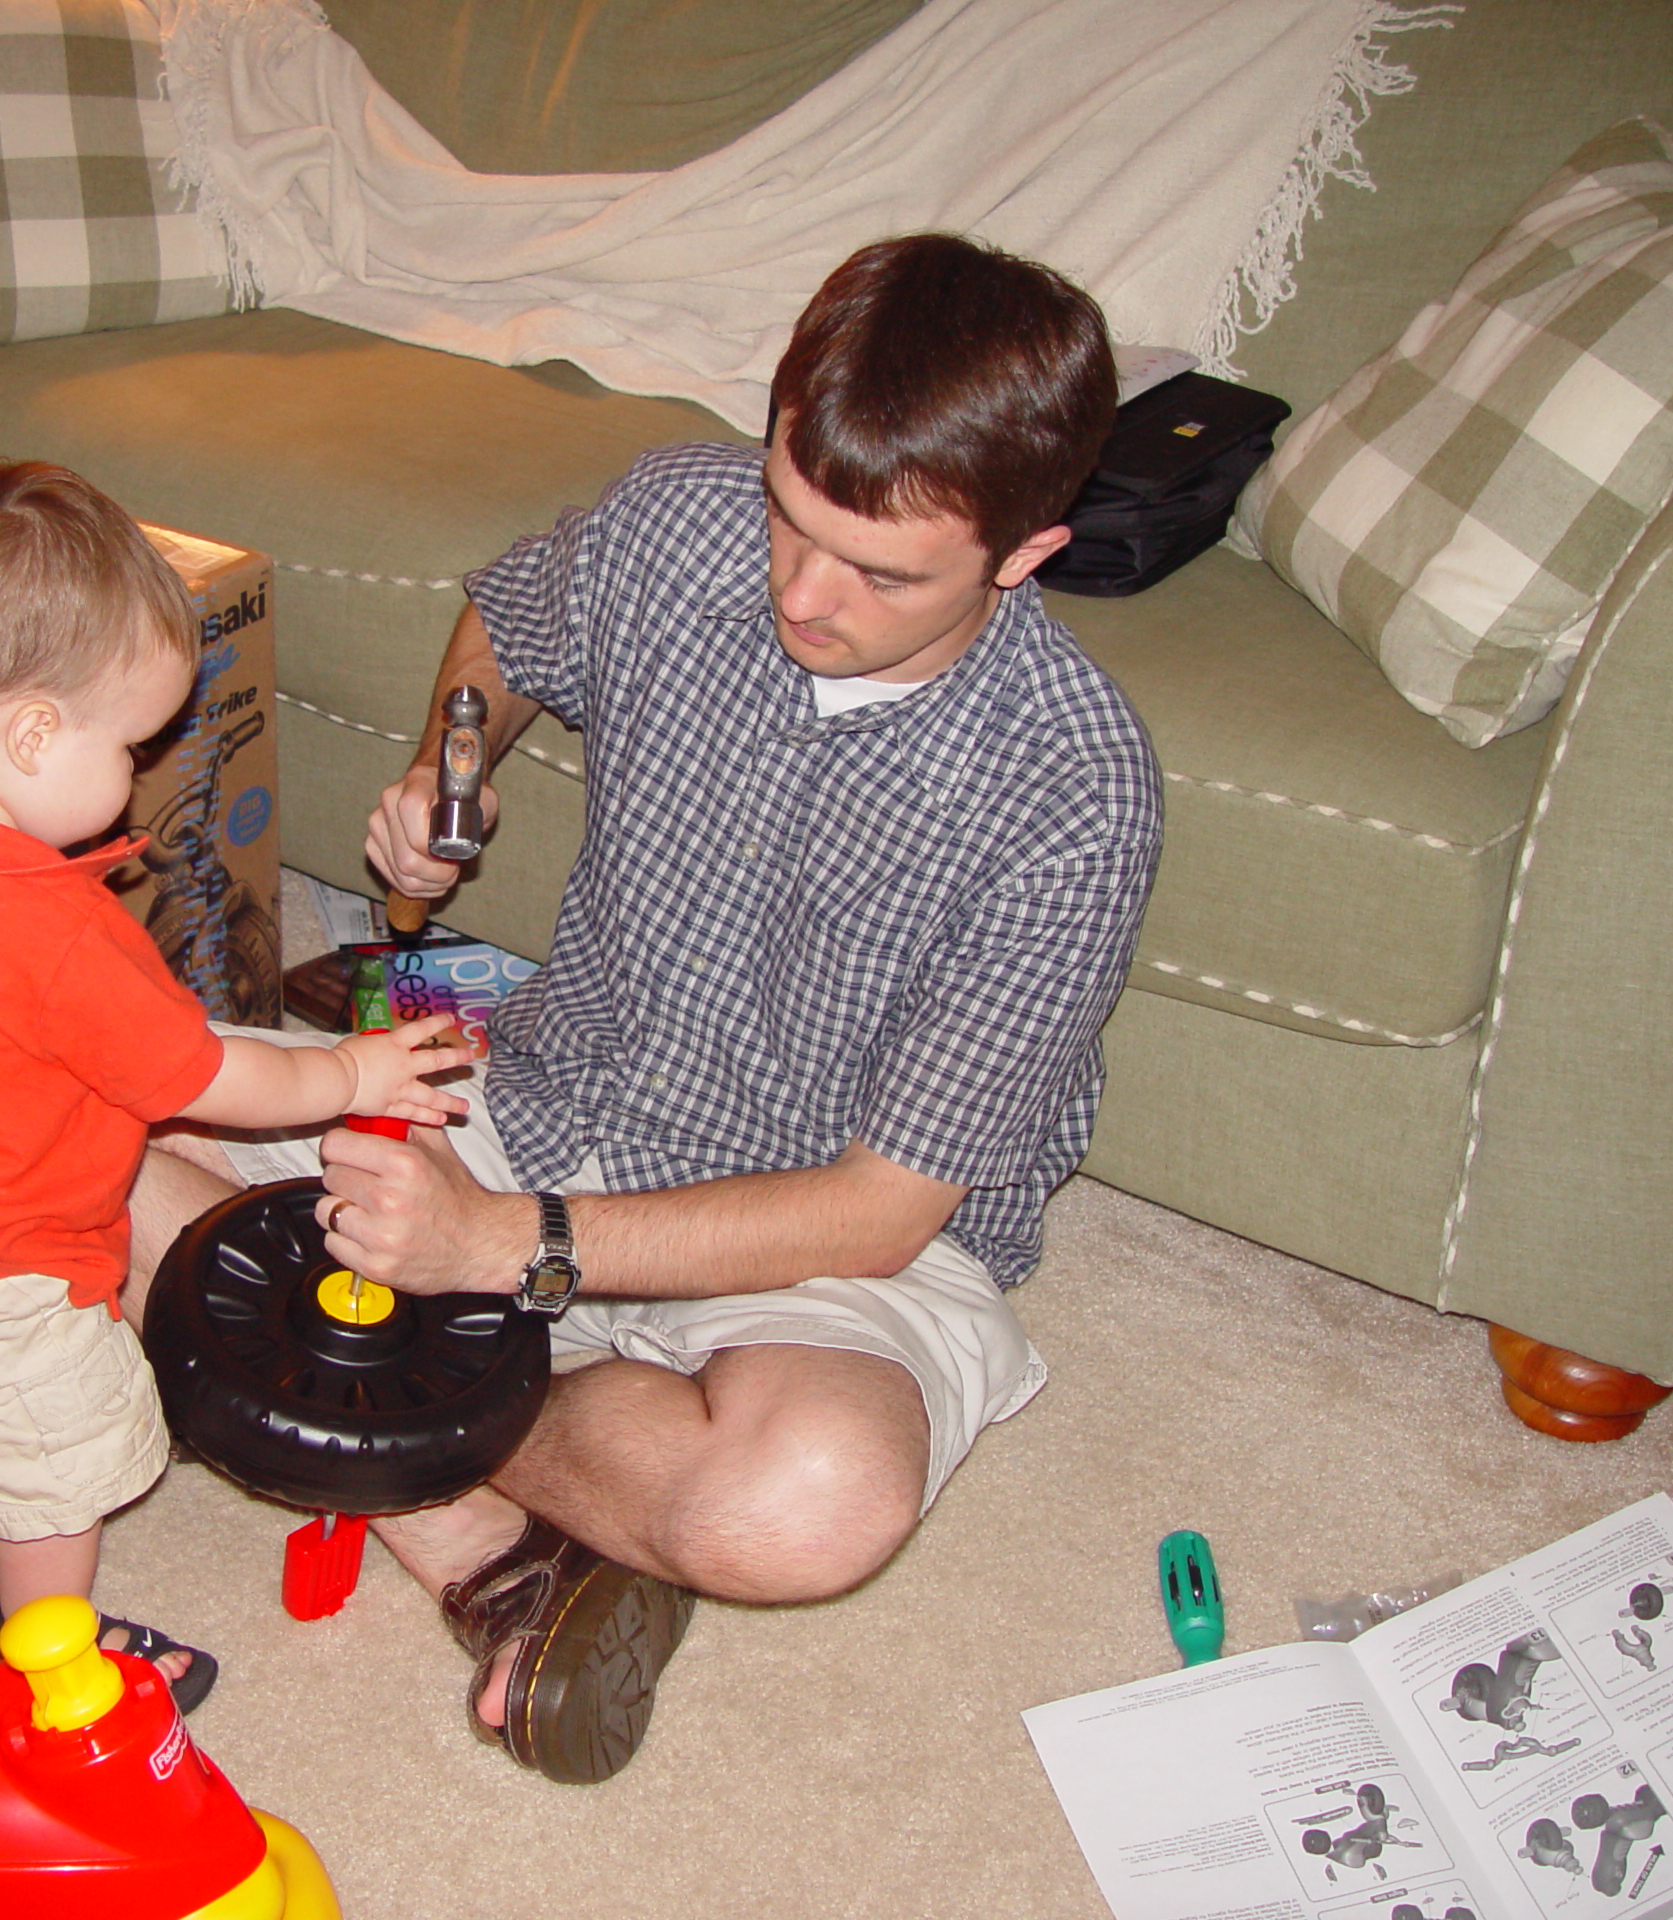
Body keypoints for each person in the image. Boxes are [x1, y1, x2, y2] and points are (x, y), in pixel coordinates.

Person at [134, 231, 1161, 1778]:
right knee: (36, 1122)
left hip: (821, 1231)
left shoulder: (1074, 791)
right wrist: (449, 778)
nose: (803, 593)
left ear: (1024, 556)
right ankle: (480, 1537)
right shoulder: (680, 514)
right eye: (789, 515)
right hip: (550, 1094)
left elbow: (879, 1209)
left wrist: (494, 1250)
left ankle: (413, 1387)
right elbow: (509, 629)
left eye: (880, 573)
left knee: (805, 1499)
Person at [0, 458, 469, 1712]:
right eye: (131, 745)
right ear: (31, 734)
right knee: (69, 1457)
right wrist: (350, 1065)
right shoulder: (54, 936)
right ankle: (54, 1660)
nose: (140, 779)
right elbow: (211, 1077)